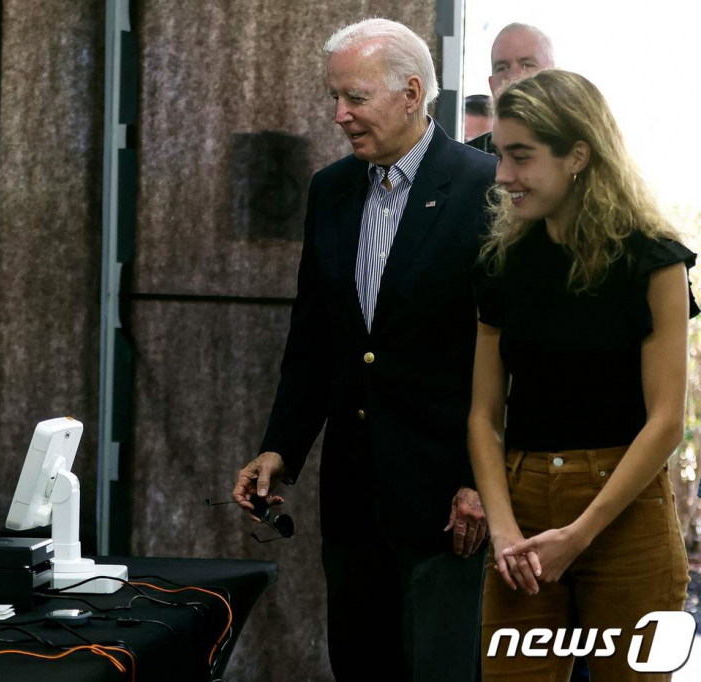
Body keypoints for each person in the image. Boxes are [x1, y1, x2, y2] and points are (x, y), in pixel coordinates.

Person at [232, 18, 496, 681]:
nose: (339, 115)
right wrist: (279, 449)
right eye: (334, 98)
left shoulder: (486, 190)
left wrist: (479, 481)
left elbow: (507, 358)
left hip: (447, 501)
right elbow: (314, 342)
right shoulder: (332, 190)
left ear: (411, 93)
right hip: (353, 498)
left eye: (354, 97)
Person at [468, 69, 697, 681]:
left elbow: (667, 420)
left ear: (578, 155)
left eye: (521, 156)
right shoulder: (503, 260)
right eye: (499, 155)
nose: (502, 176)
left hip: (624, 511)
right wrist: (503, 529)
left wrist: (579, 533)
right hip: (520, 509)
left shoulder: (653, 258)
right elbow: (484, 416)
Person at [467, 23, 555, 154]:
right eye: (502, 68)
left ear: (553, 78)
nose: (513, 77)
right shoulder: (468, 161)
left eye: (527, 65)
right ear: (492, 85)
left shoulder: (577, 150)